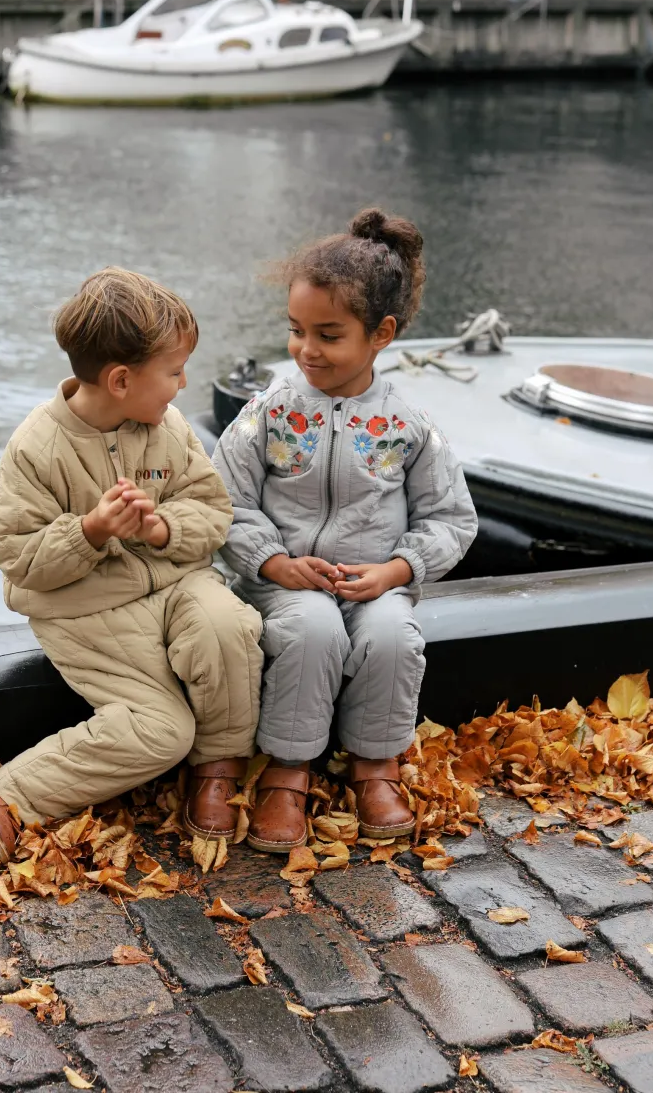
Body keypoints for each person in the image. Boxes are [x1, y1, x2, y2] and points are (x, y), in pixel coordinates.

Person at [0, 268, 263, 861]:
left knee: (229, 626)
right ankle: (8, 793)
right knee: (160, 731)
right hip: (88, 612)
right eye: (173, 372)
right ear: (121, 379)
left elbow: (211, 508)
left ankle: (219, 768)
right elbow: (19, 559)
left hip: (176, 583)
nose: (183, 384)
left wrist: (162, 527)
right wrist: (90, 532)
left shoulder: (167, 428)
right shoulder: (36, 449)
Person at [213, 208, 478, 853]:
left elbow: (451, 518)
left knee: (392, 636)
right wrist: (273, 562)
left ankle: (375, 763)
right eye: (296, 331)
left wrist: (397, 572)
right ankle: (288, 767)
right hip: (284, 583)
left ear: (380, 334)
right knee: (311, 628)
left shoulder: (407, 425)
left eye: (328, 335)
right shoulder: (269, 412)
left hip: (374, 582)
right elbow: (221, 499)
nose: (307, 350)